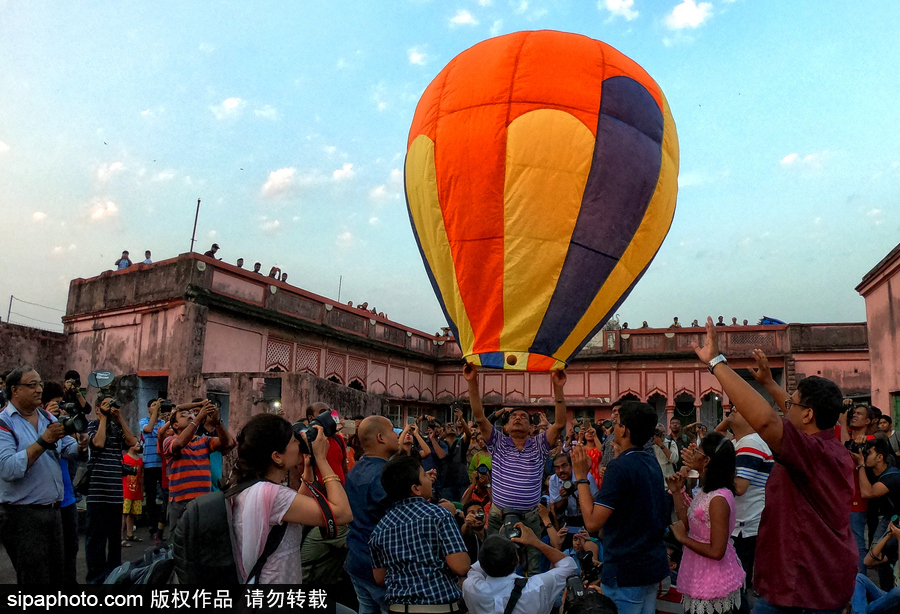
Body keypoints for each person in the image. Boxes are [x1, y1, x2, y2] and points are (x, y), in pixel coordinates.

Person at [694, 317, 856, 612]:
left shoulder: (811, 452)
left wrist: (717, 363)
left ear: (807, 416)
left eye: (791, 404)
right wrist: (769, 383)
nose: (785, 407)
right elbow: (791, 411)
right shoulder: (829, 446)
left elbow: (768, 420)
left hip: (802, 589)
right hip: (811, 582)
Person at [466, 363, 567, 576]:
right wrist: (472, 382)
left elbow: (558, 424)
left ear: (532, 428)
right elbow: (479, 417)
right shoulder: (498, 442)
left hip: (530, 515)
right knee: (493, 560)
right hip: (498, 514)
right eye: (514, 416)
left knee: (532, 566)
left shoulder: (539, 444)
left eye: (524, 417)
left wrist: (558, 388)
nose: (518, 417)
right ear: (505, 427)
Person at [229, 412, 352, 584]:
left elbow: (291, 509)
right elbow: (342, 514)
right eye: (294, 440)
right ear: (277, 456)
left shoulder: (255, 487)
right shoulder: (273, 494)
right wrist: (323, 461)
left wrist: (309, 469)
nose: (299, 443)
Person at [573, 401, 670, 614]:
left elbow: (592, 521)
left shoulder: (621, 466)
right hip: (649, 566)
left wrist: (581, 477)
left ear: (624, 430)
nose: (614, 427)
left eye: (616, 423)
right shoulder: (649, 461)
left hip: (626, 571)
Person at [0, 367, 80, 585]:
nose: (39, 390)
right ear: (14, 390)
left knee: (57, 577)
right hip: (22, 516)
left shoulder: (46, 416)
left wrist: (81, 445)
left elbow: (66, 447)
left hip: (53, 511)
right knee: (35, 581)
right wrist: (44, 441)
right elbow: (8, 469)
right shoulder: (3, 423)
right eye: (32, 385)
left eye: (40, 384)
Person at [369, 454, 470, 611]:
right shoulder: (440, 515)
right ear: (416, 488)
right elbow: (460, 566)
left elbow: (380, 578)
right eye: (424, 475)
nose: (429, 479)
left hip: (398, 608)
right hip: (438, 607)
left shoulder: (380, 528)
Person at [667, 432, 745, 614]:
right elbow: (687, 522)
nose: (693, 455)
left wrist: (683, 539)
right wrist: (677, 492)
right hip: (699, 571)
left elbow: (717, 551)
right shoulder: (706, 491)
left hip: (713, 578)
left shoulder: (718, 498)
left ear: (707, 460)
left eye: (697, 452)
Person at [715, 406, 772, 613]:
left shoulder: (750, 443)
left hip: (745, 525)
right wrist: (728, 421)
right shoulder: (738, 443)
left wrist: (711, 475)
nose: (732, 410)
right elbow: (713, 440)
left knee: (737, 583)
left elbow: (739, 487)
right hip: (743, 523)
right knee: (737, 582)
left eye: (738, 409)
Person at [344, 416, 401, 614]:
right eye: (393, 431)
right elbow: (399, 521)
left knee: (366, 608)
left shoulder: (356, 469)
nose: (397, 436)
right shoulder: (385, 476)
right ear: (381, 438)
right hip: (379, 566)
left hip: (357, 557)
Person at [84, 394, 139, 583]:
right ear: (98, 408)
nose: (110, 406)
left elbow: (133, 443)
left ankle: (114, 577)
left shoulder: (117, 427)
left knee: (115, 541)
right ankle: (96, 579)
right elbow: (98, 443)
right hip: (97, 492)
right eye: (106, 404)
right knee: (95, 541)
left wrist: (119, 417)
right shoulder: (92, 426)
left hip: (115, 493)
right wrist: (103, 418)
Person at [462, 525, 577, 614]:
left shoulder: (471, 588)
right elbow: (568, 565)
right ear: (517, 561)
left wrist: (497, 543)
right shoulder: (536, 587)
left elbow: (475, 570)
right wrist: (535, 542)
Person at [163, 400, 234, 529]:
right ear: (175, 425)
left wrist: (217, 422)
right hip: (181, 501)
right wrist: (198, 419)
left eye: (192, 414)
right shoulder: (169, 440)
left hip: (203, 500)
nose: (190, 416)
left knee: (202, 541)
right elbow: (179, 444)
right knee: (180, 542)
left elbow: (226, 442)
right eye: (184, 415)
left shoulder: (204, 440)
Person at [41, 381, 83, 585]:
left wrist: (80, 442)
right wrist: (48, 420)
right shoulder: (36, 423)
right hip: (47, 502)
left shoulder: (60, 424)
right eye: (57, 404)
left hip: (66, 497)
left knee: (71, 548)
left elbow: (71, 450)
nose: (62, 408)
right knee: (51, 554)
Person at [852, 438, 900, 590]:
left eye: (869, 453)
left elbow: (867, 492)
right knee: (881, 558)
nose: (865, 456)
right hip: (888, 519)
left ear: (880, 457)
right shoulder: (872, 471)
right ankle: (886, 592)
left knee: (877, 557)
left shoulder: (893, 476)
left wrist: (860, 464)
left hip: (894, 521)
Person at [853, 521, 900, 613]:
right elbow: (867, 561)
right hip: (889, 599)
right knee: (859, 578)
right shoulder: (895, 545)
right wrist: (887, 535)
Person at [548, 452, 598, 531]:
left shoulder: (585, 476)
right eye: (557, 468)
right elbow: (556, 509)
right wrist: (565, 498)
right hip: (567, 520)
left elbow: (596, 502)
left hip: (586, 518)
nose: (561, 470)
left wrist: (583, 498)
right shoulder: (553, 480)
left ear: (571, 465)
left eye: (564, 466)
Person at [140, 398, 167, 543]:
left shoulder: (163, 423)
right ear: (148, 409)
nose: (156, 407)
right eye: (153, 406)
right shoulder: (143, 421)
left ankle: (161, 526)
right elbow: (148, 430)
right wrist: (155, 414)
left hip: (162, 464)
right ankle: (152, 528)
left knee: (164, 495)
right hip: (149, 464)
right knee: (150, 497)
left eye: (157, 405)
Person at [121, 440, 143, 546]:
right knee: (124, 513)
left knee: (132, 514)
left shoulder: (140, 460)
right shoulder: (124, 458)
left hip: (136, 490)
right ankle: (119, 537)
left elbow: (141, 476)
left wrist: (142, 489)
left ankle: (129, 534)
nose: (138, 444)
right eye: (135, 443)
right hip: (126, 490)